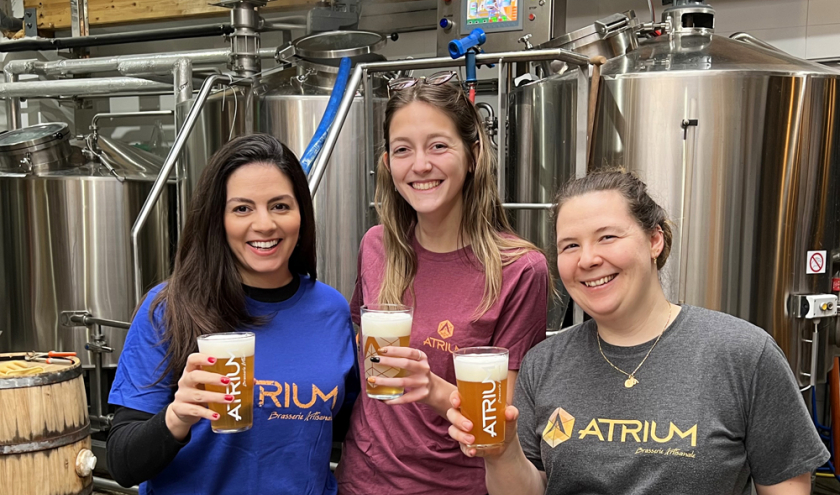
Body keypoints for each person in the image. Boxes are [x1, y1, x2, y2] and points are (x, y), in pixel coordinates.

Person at [446, 169, 830, 494]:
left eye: (608, 237)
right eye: (570, 245)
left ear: (654, 239)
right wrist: (503, 451)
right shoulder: (543, 363)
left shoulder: (744, 354)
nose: (588, 259)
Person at [107, 134, 359, 495]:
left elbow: (348, 427)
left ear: (301, 213)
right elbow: (121, 463)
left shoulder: (331, 310)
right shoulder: (168, 308)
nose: (264, 224)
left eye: (280, 206)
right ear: (218, 220)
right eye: (242, 208)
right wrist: (176, 417)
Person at [336, 72, 550, 495]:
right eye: (403, 150)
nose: (420, 165)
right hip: (363, 481)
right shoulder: (376, 246)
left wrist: (431, 388)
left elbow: (496, 421)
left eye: (438, 145)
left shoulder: (520, 269)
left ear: (473, 155)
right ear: (387, 164)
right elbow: (365, 368)